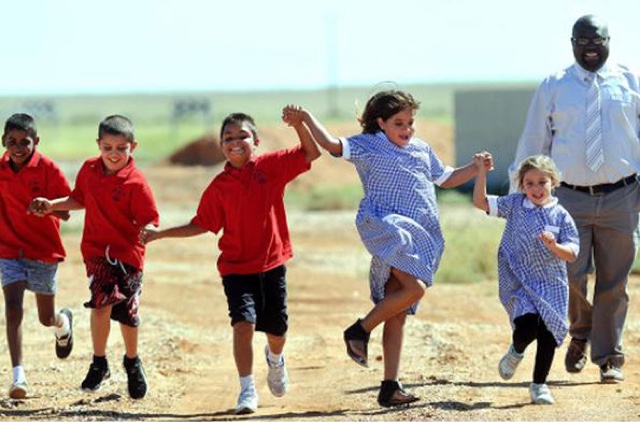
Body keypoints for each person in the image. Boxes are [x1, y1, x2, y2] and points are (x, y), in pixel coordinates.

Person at [282, 90, 493, 407]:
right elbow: (331, 145)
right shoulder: (369, 145)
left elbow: (446, 178)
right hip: (388, 228)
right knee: (415, 288)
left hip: (420, 233)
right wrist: (307, 118)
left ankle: (389, 386)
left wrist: (475, 168)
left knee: (398, 311)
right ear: (381, 123)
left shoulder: (421, 149)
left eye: (410, 122)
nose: (407, 129)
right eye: (399, 123)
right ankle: (359, 329)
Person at [140, 111, 320, 414]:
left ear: (256, 141)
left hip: (272, 264)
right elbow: (201, 223)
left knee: (277, 331)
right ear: (221, 145)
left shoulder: (271, 167)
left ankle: (276, 360)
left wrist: (299, 124)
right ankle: (247, 389)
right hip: (236, 268)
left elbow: (311, 152)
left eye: (242, 136)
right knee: (243, 324)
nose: (235, 142)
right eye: (228, 138)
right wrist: (161, 234)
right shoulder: (219, 186)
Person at [509, 14, 640, 384]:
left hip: (622, 196)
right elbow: (534, 142)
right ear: (572, 43)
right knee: (568, 274)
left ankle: (609, 356)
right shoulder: (554, 86)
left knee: (614, 281)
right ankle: (580, 331)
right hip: (567, 199)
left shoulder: (630, 81)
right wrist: (520, 196)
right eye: (583, 41)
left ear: (608, 42)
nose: (591, 48)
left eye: (597, 41)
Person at [29, 115, 159, 399]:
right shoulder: (89, 169)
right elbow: (79, 199)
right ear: (98, 144)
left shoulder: (136, 183)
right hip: (97, 252)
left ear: (133, 147)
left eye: (121, 148)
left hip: (128, 256)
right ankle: (99, 363)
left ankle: (132, 361)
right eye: (107, 147)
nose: (114, 154)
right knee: (101, 305)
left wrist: (150, 229)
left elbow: (150, 219)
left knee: (127, 314)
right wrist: (51, 205)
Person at [474, 155, 579, 404]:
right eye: (529, 183)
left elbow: (573, 253)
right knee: (527, 327)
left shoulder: (561, 215)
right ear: (521, 185)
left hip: (551, 282)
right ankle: (517, 349)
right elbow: (481, 202)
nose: (536, 188)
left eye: (542, 182)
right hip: (517, 278)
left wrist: (554, 246)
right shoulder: (515, 204)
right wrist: (481, 172)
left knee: (548, 332)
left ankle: (539, 385)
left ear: (553, 182)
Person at [0, 113, 74, 399]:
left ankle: (62, 322)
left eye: (25, 142)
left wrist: (49, 206)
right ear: (4, 141)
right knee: (13, 309)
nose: (18, 147)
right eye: (12, 141)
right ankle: (18, 377)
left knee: (46, 318)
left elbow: (68, 212)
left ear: (36, 141)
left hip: (43, 251)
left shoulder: (48, 169)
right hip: (8, 250)